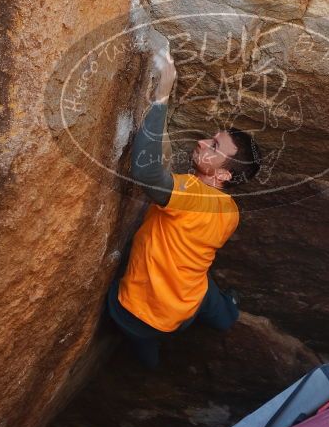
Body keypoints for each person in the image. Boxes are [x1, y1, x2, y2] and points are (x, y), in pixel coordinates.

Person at [106, 47, 262, 368]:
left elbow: (147, 173)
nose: (203, 142)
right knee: (208, 291)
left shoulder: (191, 194)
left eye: (214, 146)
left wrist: (161, 97)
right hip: (190, 302)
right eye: (211, 138)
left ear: (223, 174)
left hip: (145, 316)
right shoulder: (231, 211)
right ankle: (227, 316)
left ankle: (148, 369)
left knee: (140, 342)